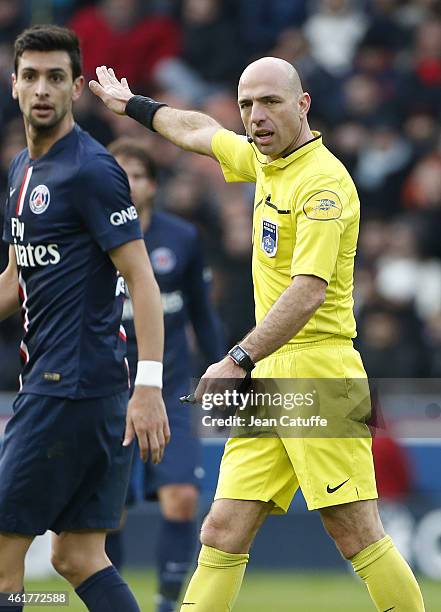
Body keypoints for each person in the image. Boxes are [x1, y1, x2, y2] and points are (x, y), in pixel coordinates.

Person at [89, 58, 425, 611]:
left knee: (355, 531)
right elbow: (199, 131)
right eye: (246, 105)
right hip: (270, 373)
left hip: (321, 371)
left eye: (269, 102)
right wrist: (135, 107)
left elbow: (309, 290)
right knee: (221, 528)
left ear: (303, 104)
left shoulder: (322, 184)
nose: (255, 116)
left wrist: (237, 358)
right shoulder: (264, 162)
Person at [0, 26, 170, 612]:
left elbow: (141, 280)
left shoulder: (92, 171)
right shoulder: (22, 168)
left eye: (55, 78)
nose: (41, 89)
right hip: (79, 391)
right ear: (14, 84)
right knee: (79, 558)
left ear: (76, 87)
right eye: (30, 76)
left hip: (66, 389)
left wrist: (148, 386)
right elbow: (14, 282)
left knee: (2, 559)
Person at [104, 138, 224, 612]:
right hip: (108, 391)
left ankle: (165, 605)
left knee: (181, 500)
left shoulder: (182, 239)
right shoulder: (89, 236)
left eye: (136, 174)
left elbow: (201, 312)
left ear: (152, 184)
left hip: (170, 388)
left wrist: (221, 368)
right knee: (108, 516)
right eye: (119, 175)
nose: (128, 184)